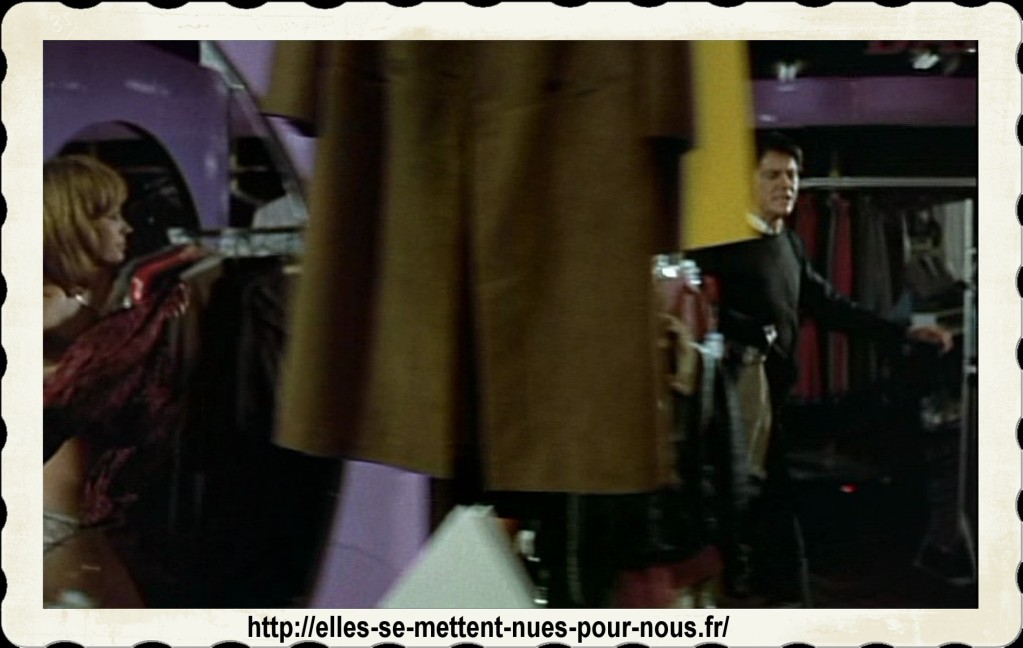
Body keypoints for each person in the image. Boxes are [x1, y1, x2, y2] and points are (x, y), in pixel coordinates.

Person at [687, 132, 952, 606]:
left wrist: (901, 335)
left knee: (771, 510)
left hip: (775, 406)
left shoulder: (787, 243)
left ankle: (776, 599)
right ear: (748, 182)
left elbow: (828, 304)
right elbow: (695, 318)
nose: (786, 185)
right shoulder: (721, 245)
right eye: (772, 175)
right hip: (733, 410)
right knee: (742, 507)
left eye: (791, 175)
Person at [42, 154, 144, 607]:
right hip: (54, 524)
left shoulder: (83, 304)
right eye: (111, 216)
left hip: (78, 519)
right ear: (76, 223)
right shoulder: (49, 310)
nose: (127, 228)